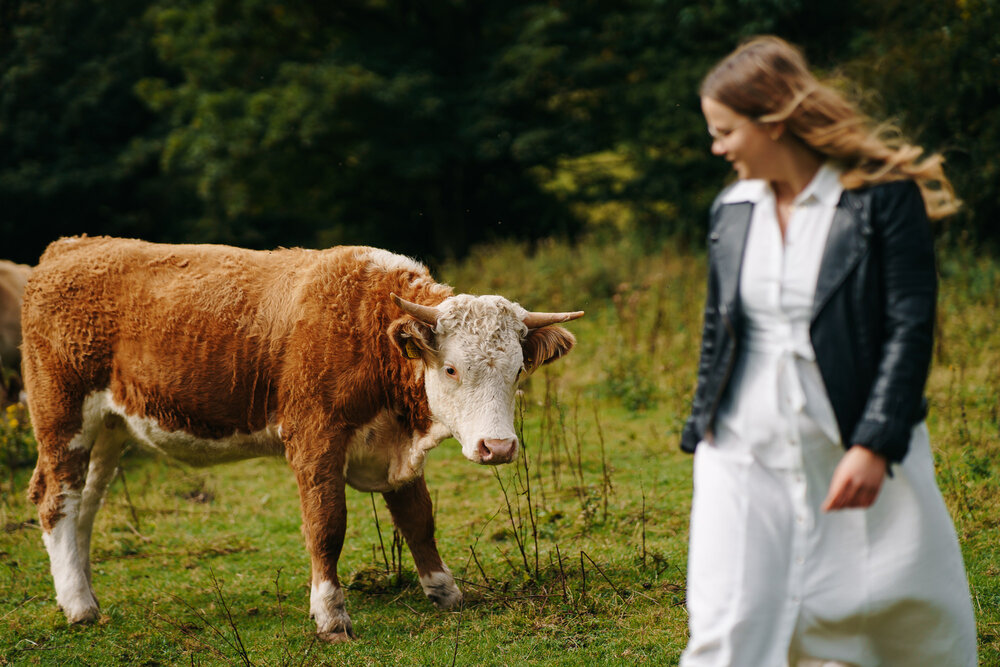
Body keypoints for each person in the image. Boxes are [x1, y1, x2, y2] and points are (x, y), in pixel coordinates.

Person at [679, 36, 977, 666]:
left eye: (726, 130)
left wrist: (875, 442)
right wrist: (701, 430)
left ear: (775, 122)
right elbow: (719, 329)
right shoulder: (730, 211)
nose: (717, 147)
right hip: (741, 450)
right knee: (728, 622)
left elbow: (909, 328)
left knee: (895, 615)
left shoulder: (882, 200)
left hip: (849, 442)